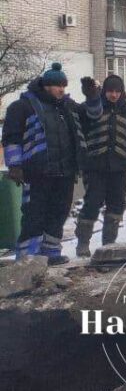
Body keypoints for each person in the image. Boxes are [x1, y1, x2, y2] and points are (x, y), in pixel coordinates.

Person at [1, 63, 86, 265]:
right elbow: (11, 137)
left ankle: (51, 253)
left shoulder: (67, 107)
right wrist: (15, 165)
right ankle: (28, 258)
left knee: (59, 212)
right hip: (36, 172)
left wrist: (92, 96)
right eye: (58, 86)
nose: (62, 90)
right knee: (34, 214)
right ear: (47, 86)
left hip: (65, 171)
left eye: (64, 86)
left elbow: (90, 116)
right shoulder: (22, 106)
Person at [75, 74, 126, 257]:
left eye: (117, 91)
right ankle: (83, 243)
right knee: (92, 202)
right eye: (110, 91)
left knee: (116, 205)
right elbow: (78, 133)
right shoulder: (93, 109)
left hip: (118, 168)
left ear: (122, 92)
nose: (113, 95)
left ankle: (108, 246)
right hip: (94, 167)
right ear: (104, 92)